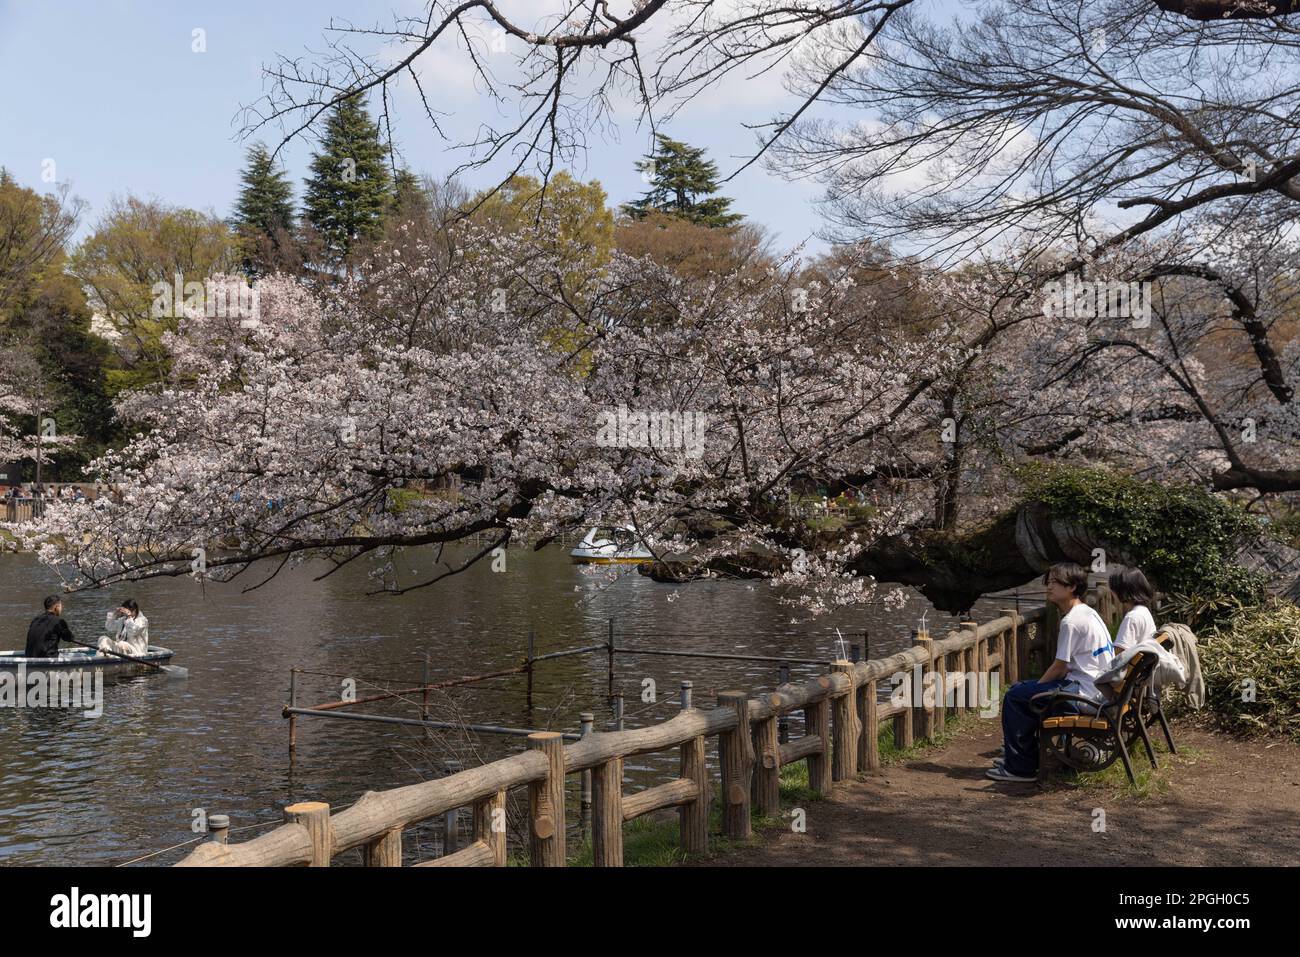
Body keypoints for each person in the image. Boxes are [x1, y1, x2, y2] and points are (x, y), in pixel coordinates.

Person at [987, 562, 1116, 783]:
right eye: (1049, 581)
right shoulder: (1088, 612)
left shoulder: (1071, 621)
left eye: (1056, 582)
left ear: (1072, 587)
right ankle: (1021, 758)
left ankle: (1020, 769)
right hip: (1097, 690)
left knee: (1016, 697)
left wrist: (1037, 692)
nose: (1049, 587)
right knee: (1022, 690)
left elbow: (1060, 667)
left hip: (1083, 695)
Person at [1109, 567, 1156, 653]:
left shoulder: (1132, 617)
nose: (1111, 593)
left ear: (1123, 592)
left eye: (1113, 590)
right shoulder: (1143, 610)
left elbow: (1120, 651)